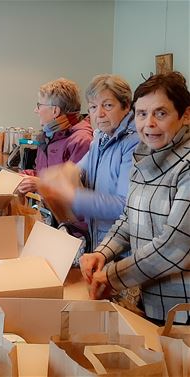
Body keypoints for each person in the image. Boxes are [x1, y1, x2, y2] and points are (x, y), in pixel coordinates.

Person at [80, 71, 190, 324]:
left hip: (182, 311)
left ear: (185, 115)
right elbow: (129, 218)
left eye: (160, 113)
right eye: (142, 114)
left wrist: (112, 276)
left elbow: (176, 245)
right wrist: (102, 253)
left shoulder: (186, 166)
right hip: (151, 301)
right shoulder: (144, 156)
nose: (148, 123)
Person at [40, 74, 139, 253]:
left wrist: (72, 196)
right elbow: (76, 169)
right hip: (99, 240)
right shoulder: (100, 137)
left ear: (126, 106)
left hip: (121, 248)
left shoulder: (134, 143)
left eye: (108, 105)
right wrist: (55, 177)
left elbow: (124, 206)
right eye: (93, 107)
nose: (99, 114)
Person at [18, 78, 93, 194]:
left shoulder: (81, 140)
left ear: (55, 111)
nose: (35, 110)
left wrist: (40, 184)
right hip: (47, 210)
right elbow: (44, 174)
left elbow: (76, 190)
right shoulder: (48, 136)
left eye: (39, 105)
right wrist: (26, 177)